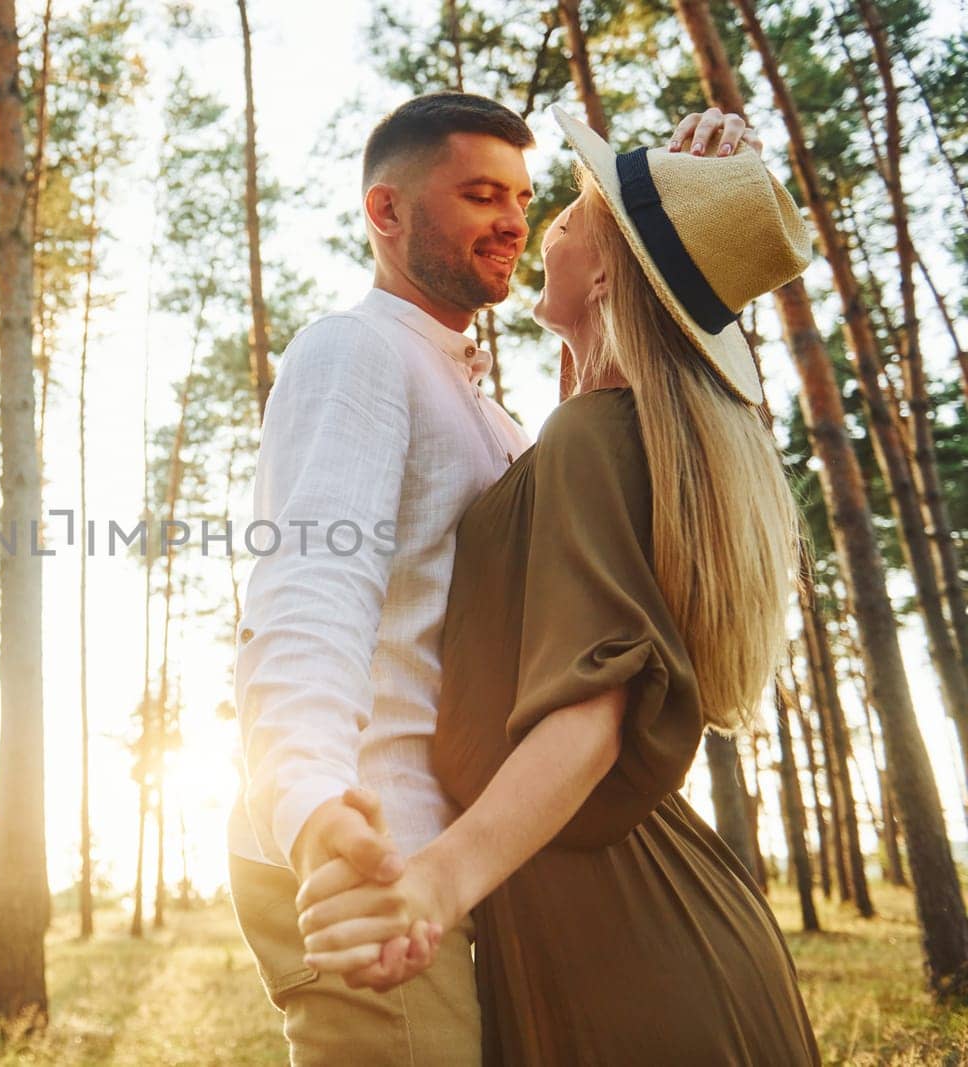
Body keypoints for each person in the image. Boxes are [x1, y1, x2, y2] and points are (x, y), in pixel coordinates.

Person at [228, 91, 760, 1065]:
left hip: (445, 865)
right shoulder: (357, 349)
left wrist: (700, 209)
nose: (516, 219)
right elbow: (309, 591)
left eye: (532, 199)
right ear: (385, 213)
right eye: (481, 194)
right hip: (369, 841)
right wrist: (311, 806)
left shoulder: (505, 419)